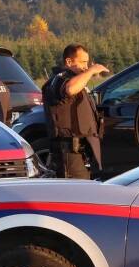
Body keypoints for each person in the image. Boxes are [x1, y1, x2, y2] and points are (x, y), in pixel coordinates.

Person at [42, 44, 108, 179]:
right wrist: (91, 71)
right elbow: (70, 89)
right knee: (77, 194)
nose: (86, 66)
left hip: (83, 152)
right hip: (69, 153)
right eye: (83, 62)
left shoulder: (77, 80)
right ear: (69, 61)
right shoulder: (60, 79)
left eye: (88, 63)